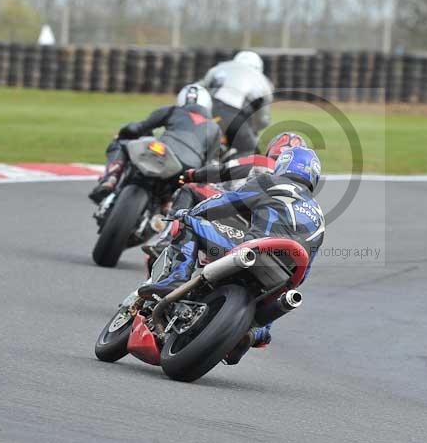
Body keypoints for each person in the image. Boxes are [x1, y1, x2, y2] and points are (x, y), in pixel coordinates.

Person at [138, 146, 325, 363]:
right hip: (285, 273)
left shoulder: (270, 182)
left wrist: (191, 212)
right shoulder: (319, 214)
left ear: (285, 163)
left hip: (254, 249)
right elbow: (306, 270)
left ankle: (176, 279)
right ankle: (257, 331)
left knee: (188, 222)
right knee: (281, 295)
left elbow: (225, 203)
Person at [140, 132, 308, 261]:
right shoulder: (303, 194)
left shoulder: (261, 161)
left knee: (190, 189)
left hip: (237, 211)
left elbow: (222, 171)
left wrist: (193, 174)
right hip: (263, 235)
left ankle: (165, 240)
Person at [89, 84, 222, 203]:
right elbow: (209, 163)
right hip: (189, 167)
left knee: (121, 142)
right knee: (191, 187)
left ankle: (111, 179)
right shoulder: (215, 128)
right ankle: (168, 207)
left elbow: (138, 128)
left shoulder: (172, 110)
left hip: (165, 151)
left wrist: (124, 131)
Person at [198, 50, 275, 157]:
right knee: (252, 154)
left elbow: (197, 89)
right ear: (259, 68)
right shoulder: (263, 81)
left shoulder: (219, 68)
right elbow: (262, 120)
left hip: (207, 112)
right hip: (234, 118)